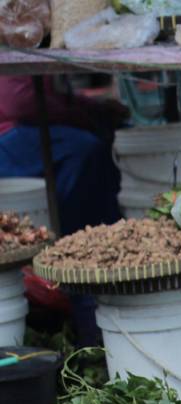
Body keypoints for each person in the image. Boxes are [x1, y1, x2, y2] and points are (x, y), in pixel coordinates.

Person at [0, 75, 127, 345]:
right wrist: (84, 114)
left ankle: (99, 290)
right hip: (8, 134)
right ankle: (82, 284)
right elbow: (19, 103)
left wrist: (92, 108)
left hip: (33, 126)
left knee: (99, 148)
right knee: (86, 153)